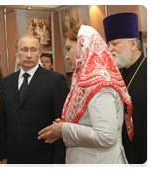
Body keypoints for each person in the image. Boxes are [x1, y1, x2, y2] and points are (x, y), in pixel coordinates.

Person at [38, 24, 134, 167]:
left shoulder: (99, 84)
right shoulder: (87, 79)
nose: (65, 56)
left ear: (84, 46)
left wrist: (64, 129)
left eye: (69, 49)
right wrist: (65, 126)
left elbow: (106, 137)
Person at [0, 34, 69, 167]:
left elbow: (62, 121)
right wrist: (3, 156)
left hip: (43, 157)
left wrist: (59, 161)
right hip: (14, 158)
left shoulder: (55, 80)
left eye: (33, 50)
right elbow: (4, 122)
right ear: (16, 52)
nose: (29, 55)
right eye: (24, 50)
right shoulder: (6, 82)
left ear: (40, 52)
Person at [103, 12, 149, 167]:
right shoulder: (115, 75)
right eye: (108, 45)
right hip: (123, 153)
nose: (110, 49)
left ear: (133, 44)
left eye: (115, 44)